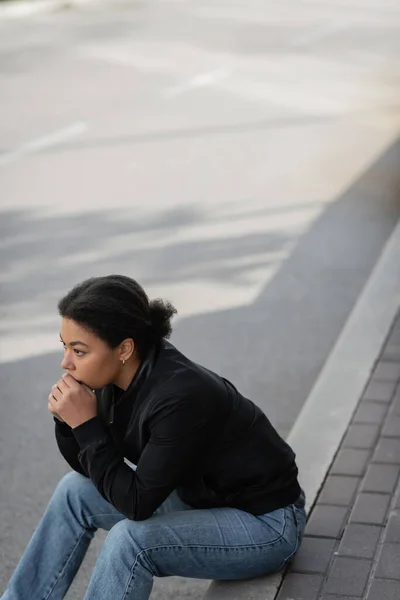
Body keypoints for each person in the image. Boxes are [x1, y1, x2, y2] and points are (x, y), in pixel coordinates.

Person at [1, 274, 306, 600]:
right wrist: (69, 421)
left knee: (129, 541)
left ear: (124, 348)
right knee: (73, 491)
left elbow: (136, 504)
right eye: (66, 347)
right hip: (203, 501)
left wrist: (86, 426)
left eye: (79, 351)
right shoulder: (115, 378)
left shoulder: (180, 396)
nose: (66, 363)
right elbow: (89, 470)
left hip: (265, 525)